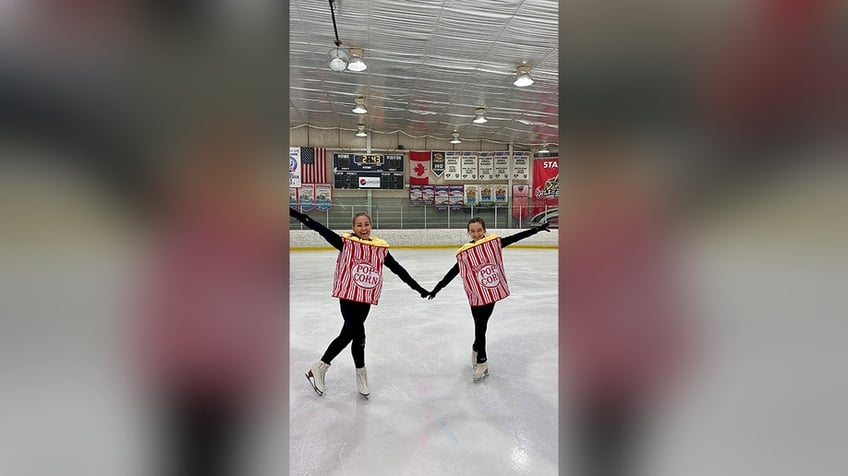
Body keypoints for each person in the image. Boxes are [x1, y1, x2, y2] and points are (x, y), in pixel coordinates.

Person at [289, 208, 429, 397]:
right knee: (359, 335)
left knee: (347, 336)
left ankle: (319, 368)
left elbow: (399, 270)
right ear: (353, 227)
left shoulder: (379, 250)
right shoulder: (346, 243)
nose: (363, 228)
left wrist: (419, 289)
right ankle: (361, 374)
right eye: (359, 225)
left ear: (371, 226)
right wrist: (292, 212)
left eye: (366, 224)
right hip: (348, 296)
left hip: (365, 299)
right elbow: (317, 227)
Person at [427, 217, 551, 381]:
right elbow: (453, 271)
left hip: (490, 293)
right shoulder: (466, 252)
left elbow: (514, 238)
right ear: (468, 233)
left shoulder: (492, 244)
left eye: (479, 230)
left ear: (484, 230)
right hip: (476, 295)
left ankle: (481, 359)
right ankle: (478, 351)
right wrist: (437, 288)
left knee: (481, 326)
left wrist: (536, 230)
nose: (476, 234)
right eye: (473, 231)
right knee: (480, 326)